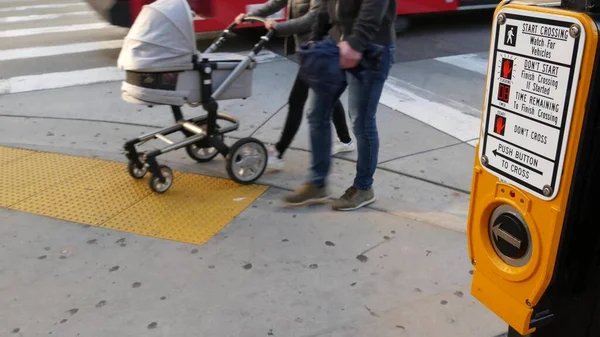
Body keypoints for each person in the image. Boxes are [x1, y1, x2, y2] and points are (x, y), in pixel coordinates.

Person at [282, 0, 397, 211]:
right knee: (316, 113)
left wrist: (356, 43)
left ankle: (363, 187)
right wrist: (315, 39)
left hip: (371, 48)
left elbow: (374, 7)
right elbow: (325, 7)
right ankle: (317, 183)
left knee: (361, 121)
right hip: (336, 46)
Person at [234, 0, 356, 172]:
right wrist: (250, 17)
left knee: (296, 101)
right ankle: (345, 140)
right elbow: (276, 3)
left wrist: (278, 28)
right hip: (310, 50)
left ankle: (278, 153)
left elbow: (312, 19)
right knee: (327, 96)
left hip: (321, 48)